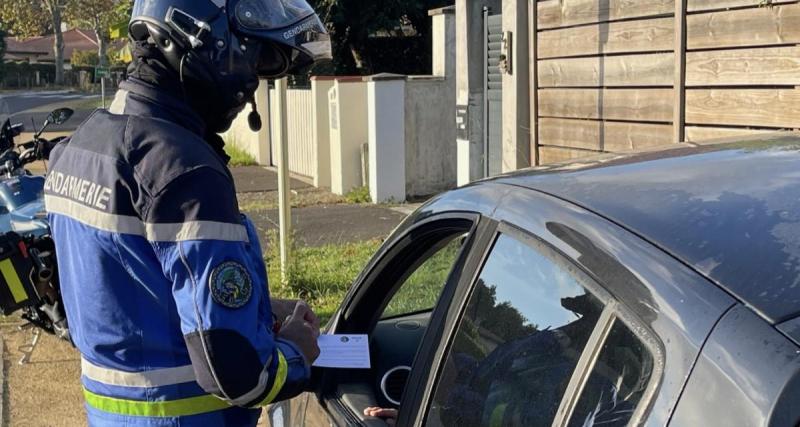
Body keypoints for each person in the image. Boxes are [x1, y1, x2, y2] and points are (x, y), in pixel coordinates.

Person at [43, 0, 331, 425]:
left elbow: (134, 295)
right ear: (203, 41)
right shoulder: (185, 172)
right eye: (250, 61)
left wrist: (258, 310)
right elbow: (237, 374)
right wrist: (297, 351)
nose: (249, 86)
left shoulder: (77, 150)